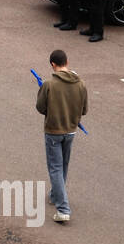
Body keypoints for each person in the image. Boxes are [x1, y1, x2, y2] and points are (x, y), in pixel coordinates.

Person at [35, 49, 89, 224]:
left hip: (53, 131)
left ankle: (63, 208)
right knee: (63, 165)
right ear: (67, 61)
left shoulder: (49, 85)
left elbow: (40, 107)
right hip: (71, 130)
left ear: (53, 64)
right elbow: (84, 110)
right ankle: (55, 194)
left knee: (55, 168)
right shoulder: (80, 83)